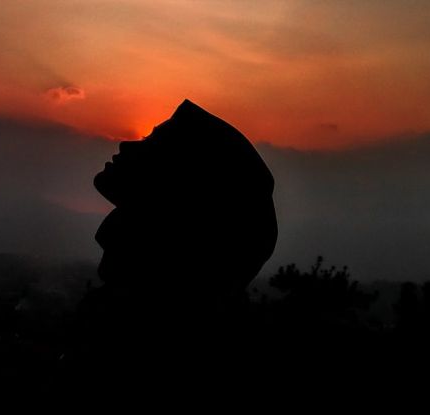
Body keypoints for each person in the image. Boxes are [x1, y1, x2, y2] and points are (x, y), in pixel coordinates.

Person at [72, 99, 277, 386]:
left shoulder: (141, 327)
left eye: (150, 143)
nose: (125, 145)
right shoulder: (144, 310)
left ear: (178, 187)